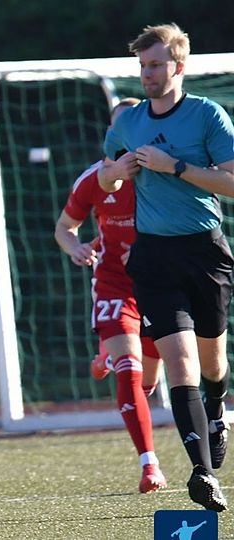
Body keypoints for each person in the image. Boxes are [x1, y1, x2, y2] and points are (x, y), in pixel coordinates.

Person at [99, 23, 234, 511]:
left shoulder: (206, 116)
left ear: (179, 66)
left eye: (156, 65)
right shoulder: (128, 121)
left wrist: (172, 166)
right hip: (153, 256)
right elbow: (107, 178)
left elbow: (232, 183)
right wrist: (117, 172)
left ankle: (216, 409)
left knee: (213, 363)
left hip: (205, 250)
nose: (147, 74)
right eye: (142, 66)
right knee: (181, 363)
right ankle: (203, 472)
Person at [55, 97, 167, 494]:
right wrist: (76, 248)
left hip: (158, 283)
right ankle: (149, 465)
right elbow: (64, 228)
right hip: (114, 283)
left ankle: (105, 355)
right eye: (117, 129)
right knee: (129, 369)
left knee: (148, 384)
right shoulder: (94, 179)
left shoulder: (164, 174)